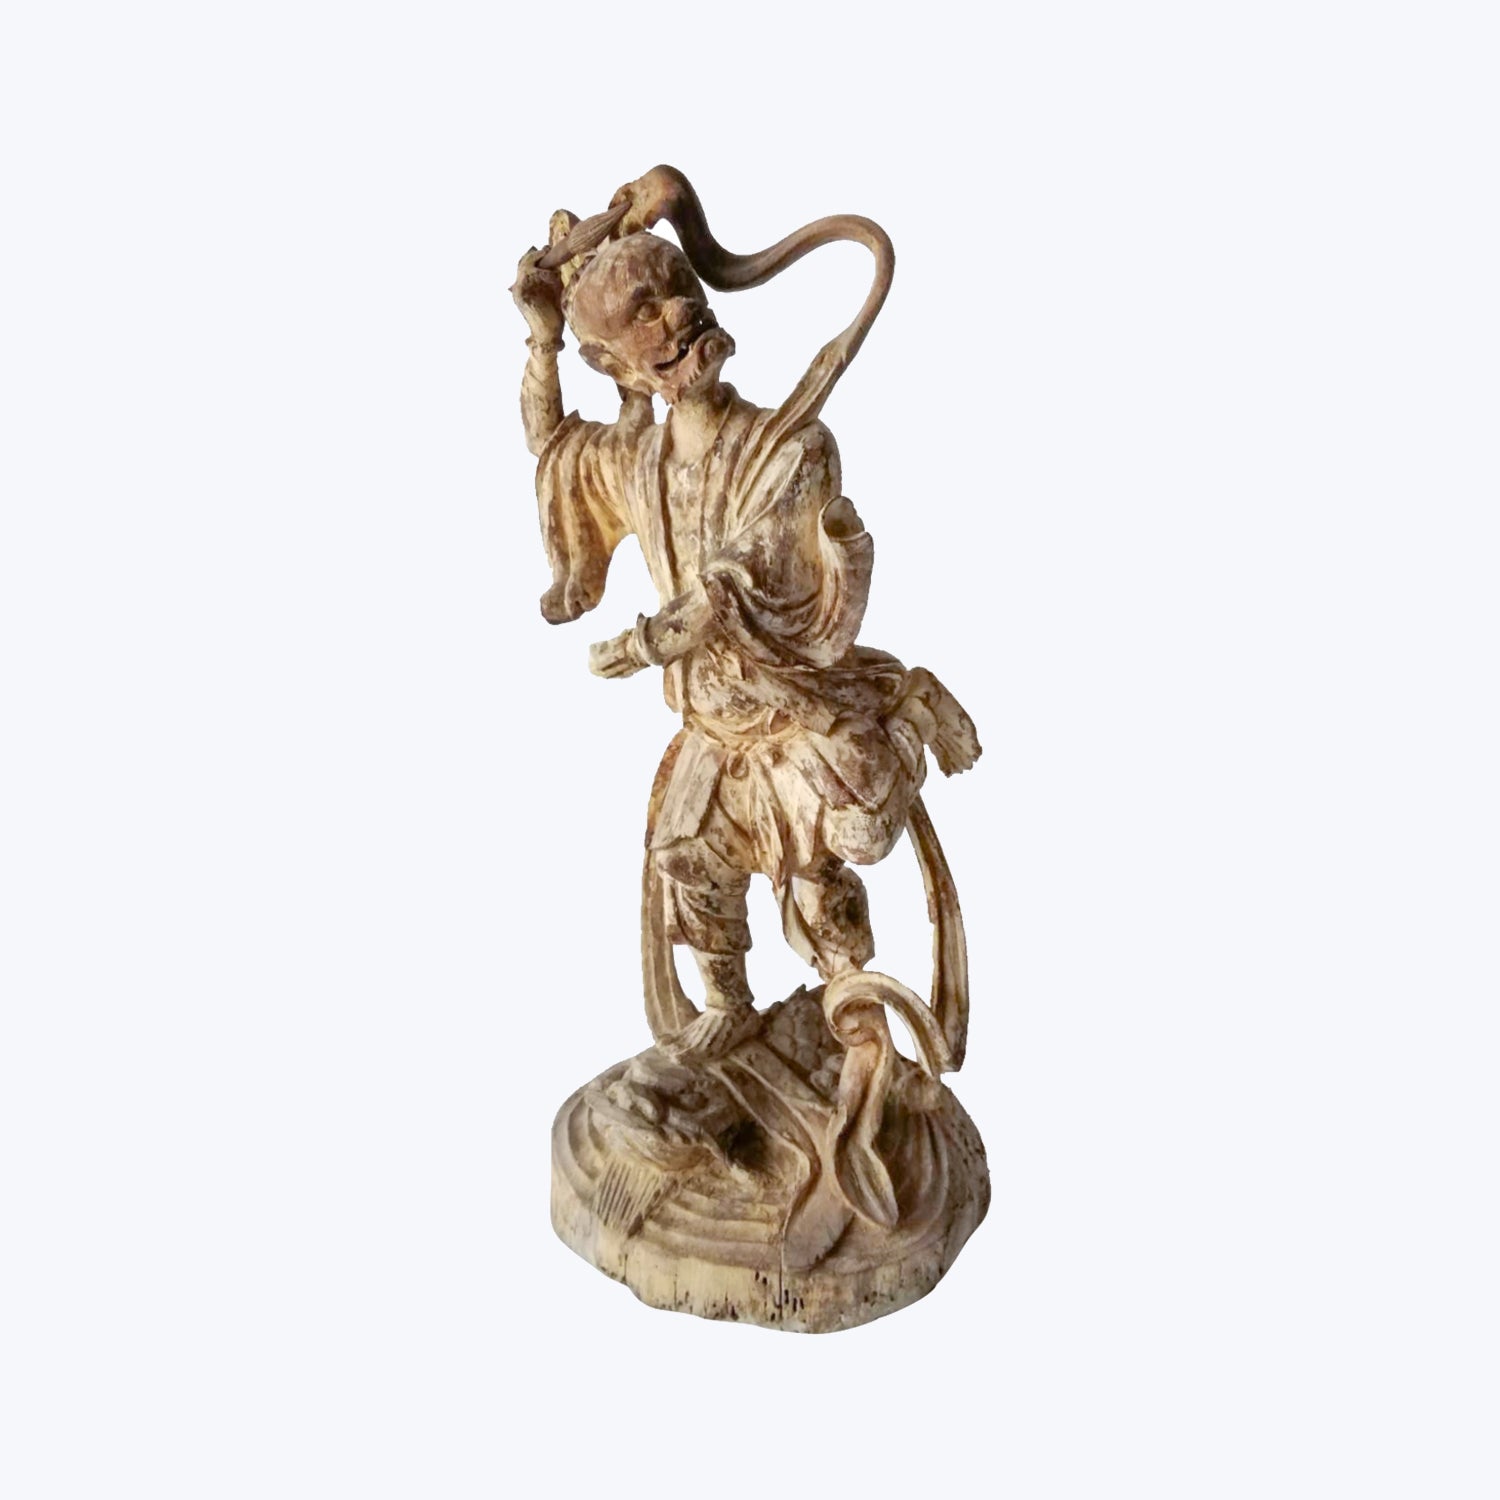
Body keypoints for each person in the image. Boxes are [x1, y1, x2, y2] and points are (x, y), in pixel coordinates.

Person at [512, 194, 977, 1062]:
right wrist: (542, 343)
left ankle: (856, 1011)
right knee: (690, 860)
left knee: (845, 845)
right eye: (644, 314)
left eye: (680, 290)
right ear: (614, 365)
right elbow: (554, 451)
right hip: (712, 724)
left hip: (789, 706)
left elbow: (742, 571)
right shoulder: (637, 462)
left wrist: (650, 642)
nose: (677, 315)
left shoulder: (791, 446)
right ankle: (730, 1014)